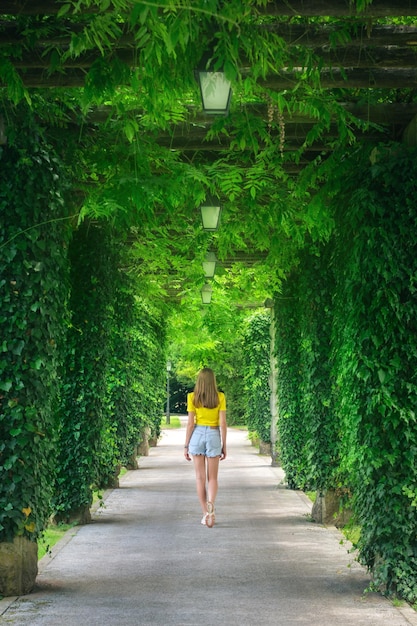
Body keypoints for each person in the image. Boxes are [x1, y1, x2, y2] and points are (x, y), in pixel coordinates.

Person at [184, 367, 227, 528]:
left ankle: (205, 513)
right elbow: (222, 423)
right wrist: (224, 445)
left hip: (197, 434)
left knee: (199, 478)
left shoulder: (192, 397)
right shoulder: (220, 397)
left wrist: (186, 446)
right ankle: (211, 503)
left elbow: (189, 424)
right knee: (213, 478)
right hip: (214, 434)